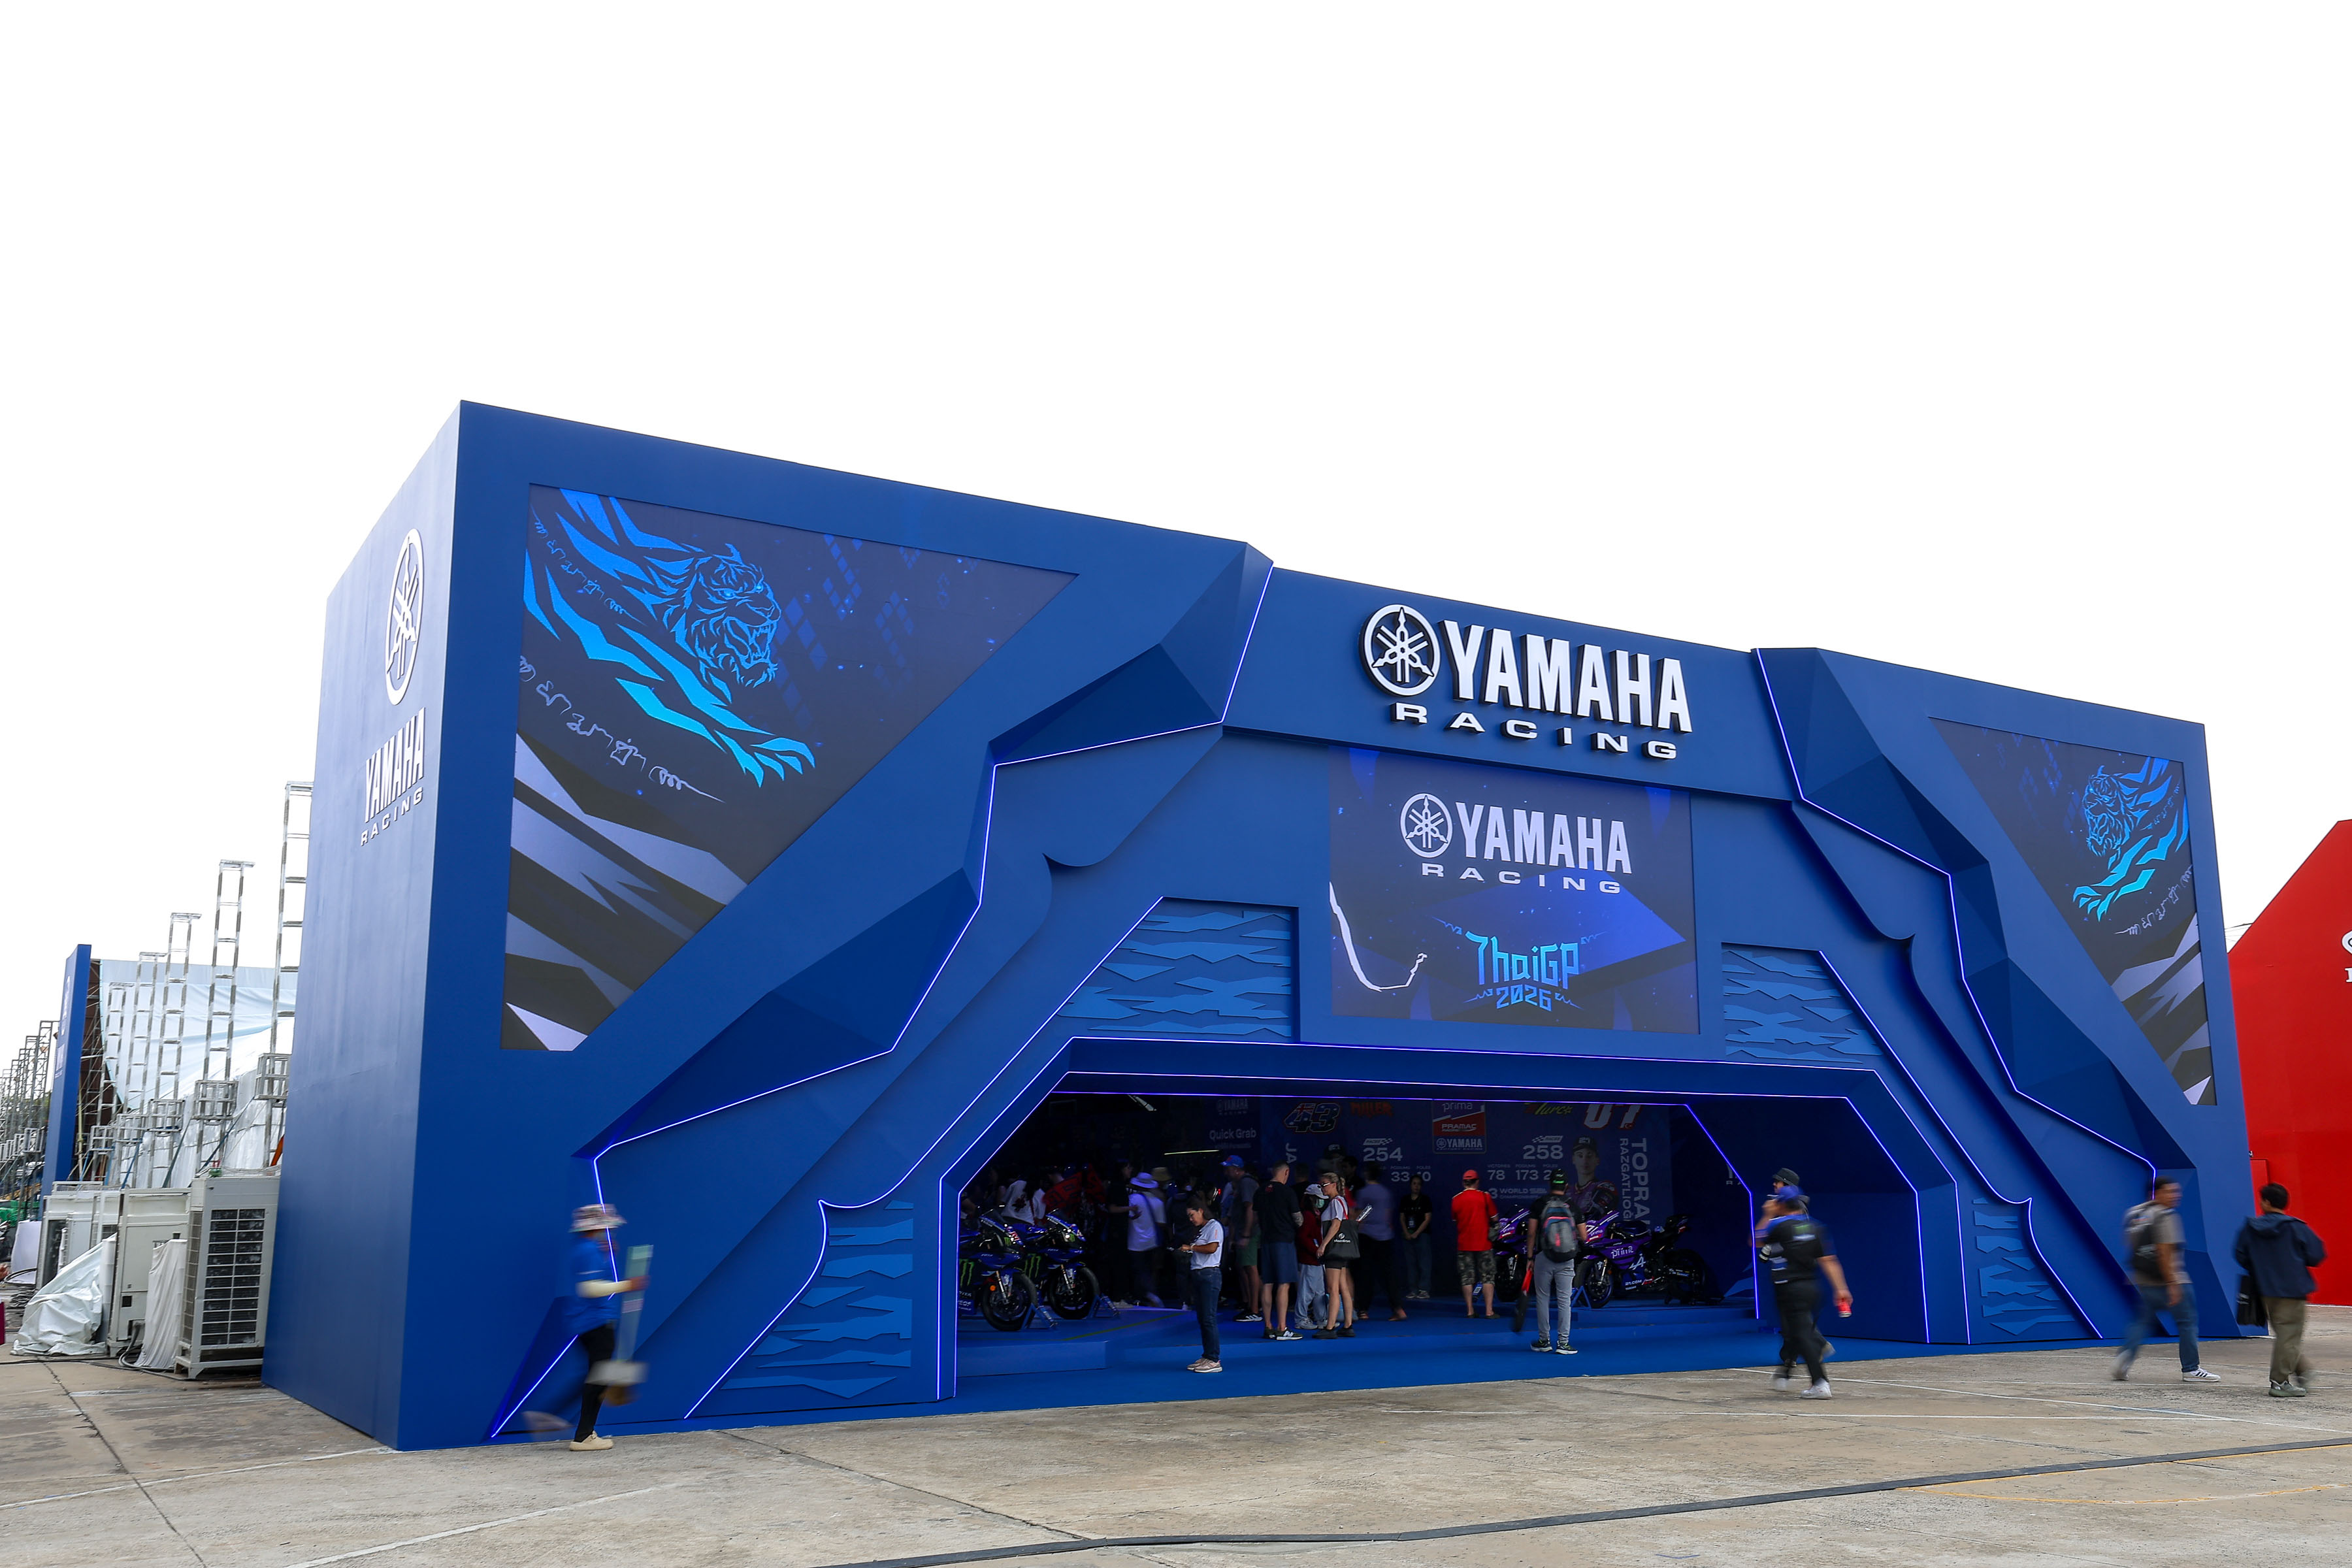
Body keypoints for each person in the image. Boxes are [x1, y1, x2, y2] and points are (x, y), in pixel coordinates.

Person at [2115, 1177, 2219, 1383]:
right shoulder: (2166, 1215)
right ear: (2156, 1193)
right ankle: (2191, 1369)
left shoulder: (2134, 1214)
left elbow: (2132, 1247)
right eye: (2170, 1192)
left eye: (2177, 1191)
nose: (2176, 1196)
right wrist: (2172, 1283)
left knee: (2141, 1322)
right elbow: (2165, 1251)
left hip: (2145, 1280)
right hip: (2172, 1280)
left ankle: (2124, 1359)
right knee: (2187, 1322)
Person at [559, 1203, 645, 1452]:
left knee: (597, 1375)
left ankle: (573, 1425)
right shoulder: (588, 1250)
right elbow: (590, 1288)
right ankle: (584, 1435)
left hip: (590, 1320)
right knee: (599, 1377)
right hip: (595, 1321)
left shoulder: (587, 1248)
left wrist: (606, 1256)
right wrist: (628, 1285)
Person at [2234, 1182, 2325, 1396]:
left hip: (2264, 1289)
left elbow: (2240, 1255)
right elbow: (2316, 1255)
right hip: (2292, 1289)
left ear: (2266, 1202)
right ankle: (2280, 1382)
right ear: (2285, 1203)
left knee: (2285, 1334)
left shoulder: (2250, 1228)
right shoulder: (2296, 1227)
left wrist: (2261, 1267)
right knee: (2289, 1334)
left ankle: (2303, 1370)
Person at [1757, 1188, 1849, 1399]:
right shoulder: (1815, 1227)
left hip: (1789, 1287)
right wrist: (1841, 1289)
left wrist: (1767, 1214)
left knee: (1801, 1334)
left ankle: (1820, 1382)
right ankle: (1790, 1370)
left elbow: (1757, 1240)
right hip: (1812, 1288)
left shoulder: (1779, 1226)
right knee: (1798, 1331)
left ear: (1781, 1204)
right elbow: (1829, 1260)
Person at [1525, 1171, 1581, 1354]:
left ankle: (1544, 1341)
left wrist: (1530, 1257)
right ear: (1566, 1186)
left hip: (1544, 1257)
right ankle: (1564, 1343)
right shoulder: (1573, 1206)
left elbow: (1531, 1233)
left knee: (1543, 1298)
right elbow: (1584, 1235)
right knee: (1565, 1301)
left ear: (1550, 1184)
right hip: (1567, 1258)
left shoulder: (1539, 1204)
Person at [1254, 1161, 1304, 1340]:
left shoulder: (1260, 1191)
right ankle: (1282, 1328)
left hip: (1266, 1241)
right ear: (1286, 1172)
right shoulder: (1287, 1192)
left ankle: (1268, 1326)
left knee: (1267, 1283)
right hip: (1284, 1241)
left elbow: (1256, 1216)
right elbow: (1298, 1219)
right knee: (1284, 1283)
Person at [1175, 1194, 1224, 1372]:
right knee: (1203, 1318)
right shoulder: (1201, 1230)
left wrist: (1191, 1248)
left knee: (1209, 1318)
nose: (1191, 1219)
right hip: (1198, 1274)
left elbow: (1212, 1248)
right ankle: (1207, 1355)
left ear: (1201, 1211)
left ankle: (1214, 1359)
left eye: (1192, 1215)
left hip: (1209, 1275)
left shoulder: (1214, 1226)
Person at [1355, 1162, 1407, 1321]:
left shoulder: (1364, 1193)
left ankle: (1363, 1310)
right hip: (1385, 1238)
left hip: (1367, 1237)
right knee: (1389, 1275)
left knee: (1365, 1274)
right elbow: (1387, 1215)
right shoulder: (1386, 1193)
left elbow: (1361, 1216)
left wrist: (1357, 1227)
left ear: (1366, 1174)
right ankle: (1398, 1309)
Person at [1315, 1169, 1360, 1338]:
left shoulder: (1336, 1202)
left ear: (1334, 1185)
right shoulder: (1339, 1201)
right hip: (1342, 1249)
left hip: (1334, 1250)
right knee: (1343, 1287)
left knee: (1333, 1288)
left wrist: (1323, 1245)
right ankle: (1348, 1325)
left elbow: (1336, 1224)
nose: (1322, 1188)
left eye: (1324, 1185)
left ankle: (1330, 1328)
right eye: (1320, 1186)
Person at [1217, 1156, 1262, 1322]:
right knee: (1245, 1268)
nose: (1225, 1172)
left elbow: (1250, 1208)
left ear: (1236, 1169)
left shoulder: (1246, 1183)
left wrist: (1246, 1234)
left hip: (1248, 1234)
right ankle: (1251, 1305)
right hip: (1243, 1233)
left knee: (1251, 1269)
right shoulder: (1240, 1185)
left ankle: (1255, 1309)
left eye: (1228, 1168)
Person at [1452, 1169, 1499, 1318]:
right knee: (1487, 1277)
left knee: (1466, 1278)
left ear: (1463, 1183)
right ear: (1477, 1182)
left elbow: (1456, 1220)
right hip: (1484, 1244)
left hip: (1464, 1244)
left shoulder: (1456, 1199)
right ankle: (1489, 1311)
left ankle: (1470, 1311)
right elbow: (1495, 1219)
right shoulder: (1485, 1197)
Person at [1124, 1173, 1166, 1307]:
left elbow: (1127, 1218)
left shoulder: (1132, 1199)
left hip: (1135, 1241)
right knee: (1149, 1270)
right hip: (1152, 1241)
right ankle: (1150, 1294)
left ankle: (1143, 1296)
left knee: (1138, 1271)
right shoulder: (1158, 1202)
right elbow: (1161, 1224)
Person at [1296, 1185, 1330, 1330]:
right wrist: (1317, 1251)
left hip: (1317, 1259)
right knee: (1307, 1291)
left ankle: (1322, 1319)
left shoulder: (1315, 1215)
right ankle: (1301, 1319)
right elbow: (1303, 1238)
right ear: (1311, 1199)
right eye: (1318, 1198)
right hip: (1310, 1259)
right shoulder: (1308, 1216)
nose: (1321, 1202)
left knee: (1319, 1292)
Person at [1399, 1173, 1435, 1299]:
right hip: (1408, 1236)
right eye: (1414, 1184)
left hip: (1422, 1235)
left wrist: (1417, 1233)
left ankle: (1424, 1289)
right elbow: (1402, 1218)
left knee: (1424, 1263)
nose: (1416, 1186)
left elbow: (1427, 1218)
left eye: (1419, 1184)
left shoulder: (1425, 1200)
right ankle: (1413, 1290)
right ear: (1410, 1185)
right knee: (1411, 1264)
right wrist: (1407, 1233)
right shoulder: (1405, 1200)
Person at [1564, 1136, 1609, 1217]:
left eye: (1589, 1156)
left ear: (1597, 1160)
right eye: (1580, 1156)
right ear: (1573, 1159)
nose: (1585, 1161)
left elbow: (1596, 1216)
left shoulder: (1603, 1188)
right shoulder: (1567, 1190)